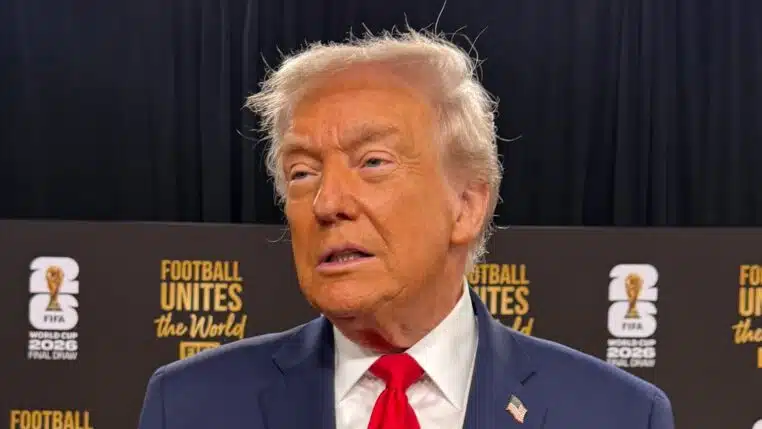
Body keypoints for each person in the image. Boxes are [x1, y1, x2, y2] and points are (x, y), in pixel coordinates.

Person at [137, 28, 674, 429]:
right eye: (302, 172)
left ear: (466, 206)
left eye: (372, 162)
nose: (327, 203)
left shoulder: (618, 414)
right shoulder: (190, 406)